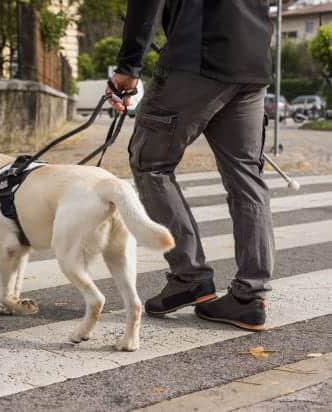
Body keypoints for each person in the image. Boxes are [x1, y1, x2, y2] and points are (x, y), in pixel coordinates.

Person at [107, 1, 274, 331]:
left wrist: (129, 67)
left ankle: (190, 277)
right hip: (252, 59)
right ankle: (249, 297)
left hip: (196, 57)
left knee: (151, 164)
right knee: (245, 174)